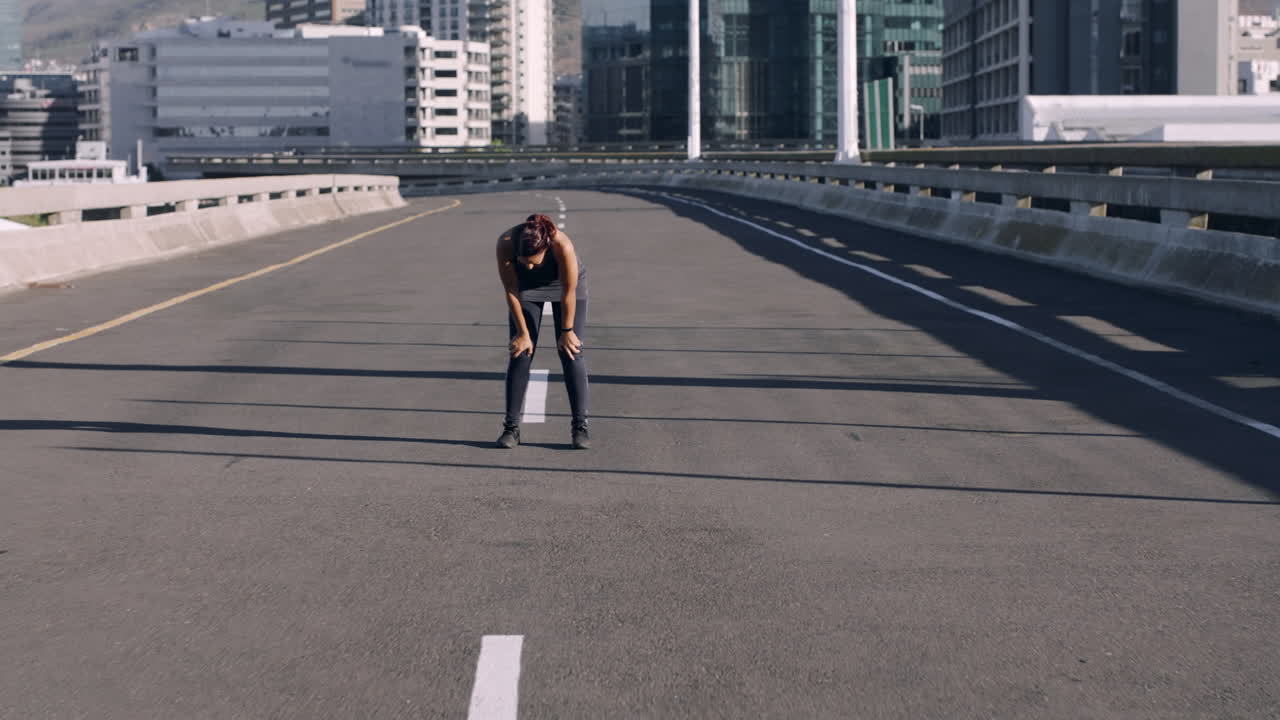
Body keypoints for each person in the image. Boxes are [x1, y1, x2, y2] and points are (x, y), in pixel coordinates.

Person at [495, 213, 590, 449]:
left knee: (571, 352)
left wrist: (567, 331)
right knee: (520, 352)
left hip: (565, 287)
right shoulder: (506, 242)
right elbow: (511, 290)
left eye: (533, 260)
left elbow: (569, 292)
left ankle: (580, 427)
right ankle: (511, 428)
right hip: (525, 289)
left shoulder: (562, 245)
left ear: (546, 249)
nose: (527, 264)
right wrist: (522, 333)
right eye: (522, 260)